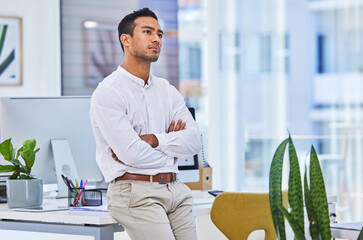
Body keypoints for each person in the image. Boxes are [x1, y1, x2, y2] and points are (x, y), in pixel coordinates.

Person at [90, 8, 201, 240]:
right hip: (135, 192)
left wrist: (154, 140)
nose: (156, 39)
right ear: (126, 39)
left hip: (176, 189)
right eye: (148, 32)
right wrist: (172, 153)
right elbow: (132, 154)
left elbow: (194, 142)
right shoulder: (109, 92)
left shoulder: (167, 91)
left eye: (159, 34)